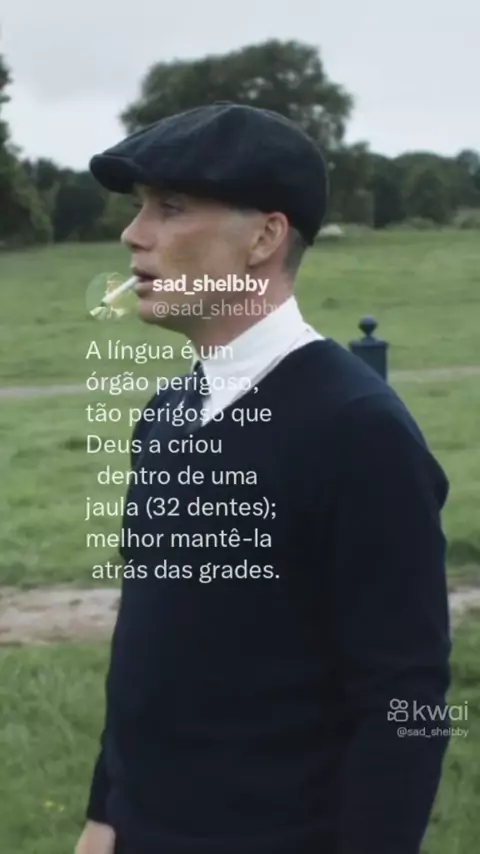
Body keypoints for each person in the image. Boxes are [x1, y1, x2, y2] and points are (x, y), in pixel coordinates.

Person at [76, 102, 451, 854]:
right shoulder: (168, 414)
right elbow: (150, 644)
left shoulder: (358, 432)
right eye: (140, 207)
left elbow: (406, 700)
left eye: (170, 208)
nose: (133, 234)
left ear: (264, 237)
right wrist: (104, 813)